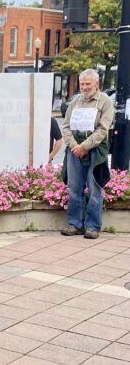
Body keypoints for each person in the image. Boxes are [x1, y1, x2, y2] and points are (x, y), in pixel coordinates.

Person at [61, 68, 114, 239]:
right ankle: (74, 224)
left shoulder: (105, 102)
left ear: (96, 84)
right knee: (74, 188)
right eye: (82, 84)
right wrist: (75, 146)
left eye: (87, 84)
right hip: (74, 151)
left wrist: (85, 146)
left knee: (94, 189)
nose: (84, 87)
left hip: (95, 150)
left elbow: (103, 129)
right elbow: (66, 126)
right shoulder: (75, 101)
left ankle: (92, 226)